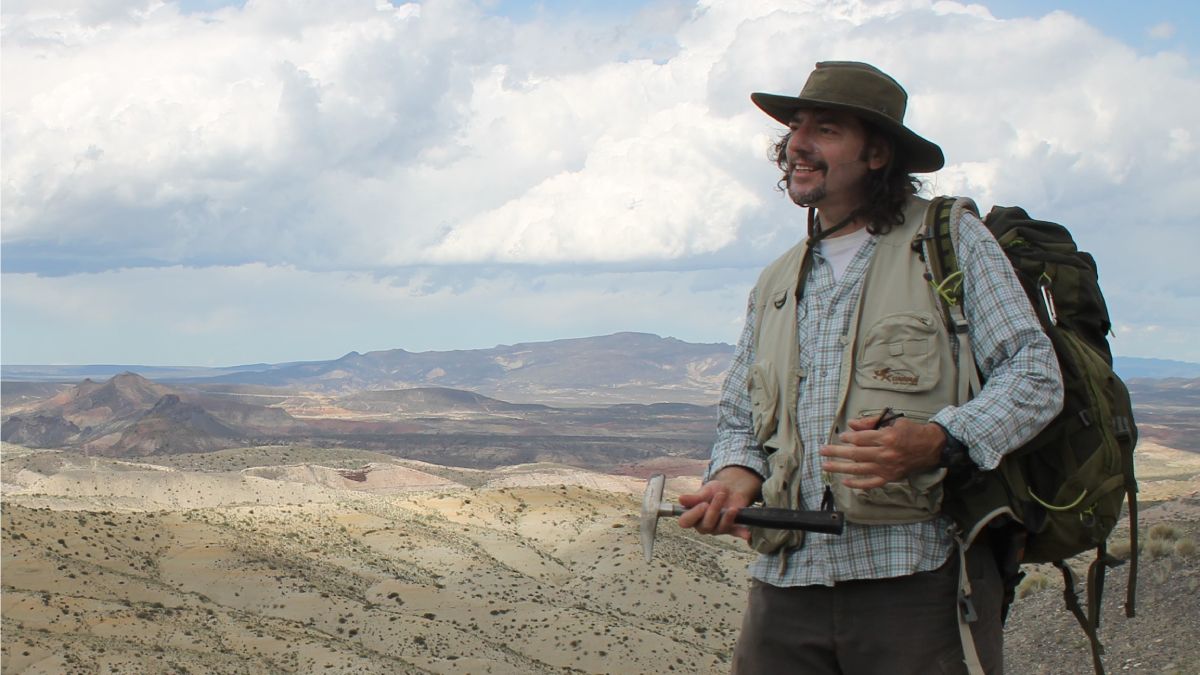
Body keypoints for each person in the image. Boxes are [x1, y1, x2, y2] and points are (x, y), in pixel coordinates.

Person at [677, 61, 1063, 674]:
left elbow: (1033, 371)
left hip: (918, 578)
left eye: (825, 129)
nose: (797, 145)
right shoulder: (777, 279)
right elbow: (739, 419)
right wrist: (733, 477)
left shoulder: (950, 241)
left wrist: (940, 439)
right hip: (786, 583)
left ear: (878, 153)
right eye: (795, 128)